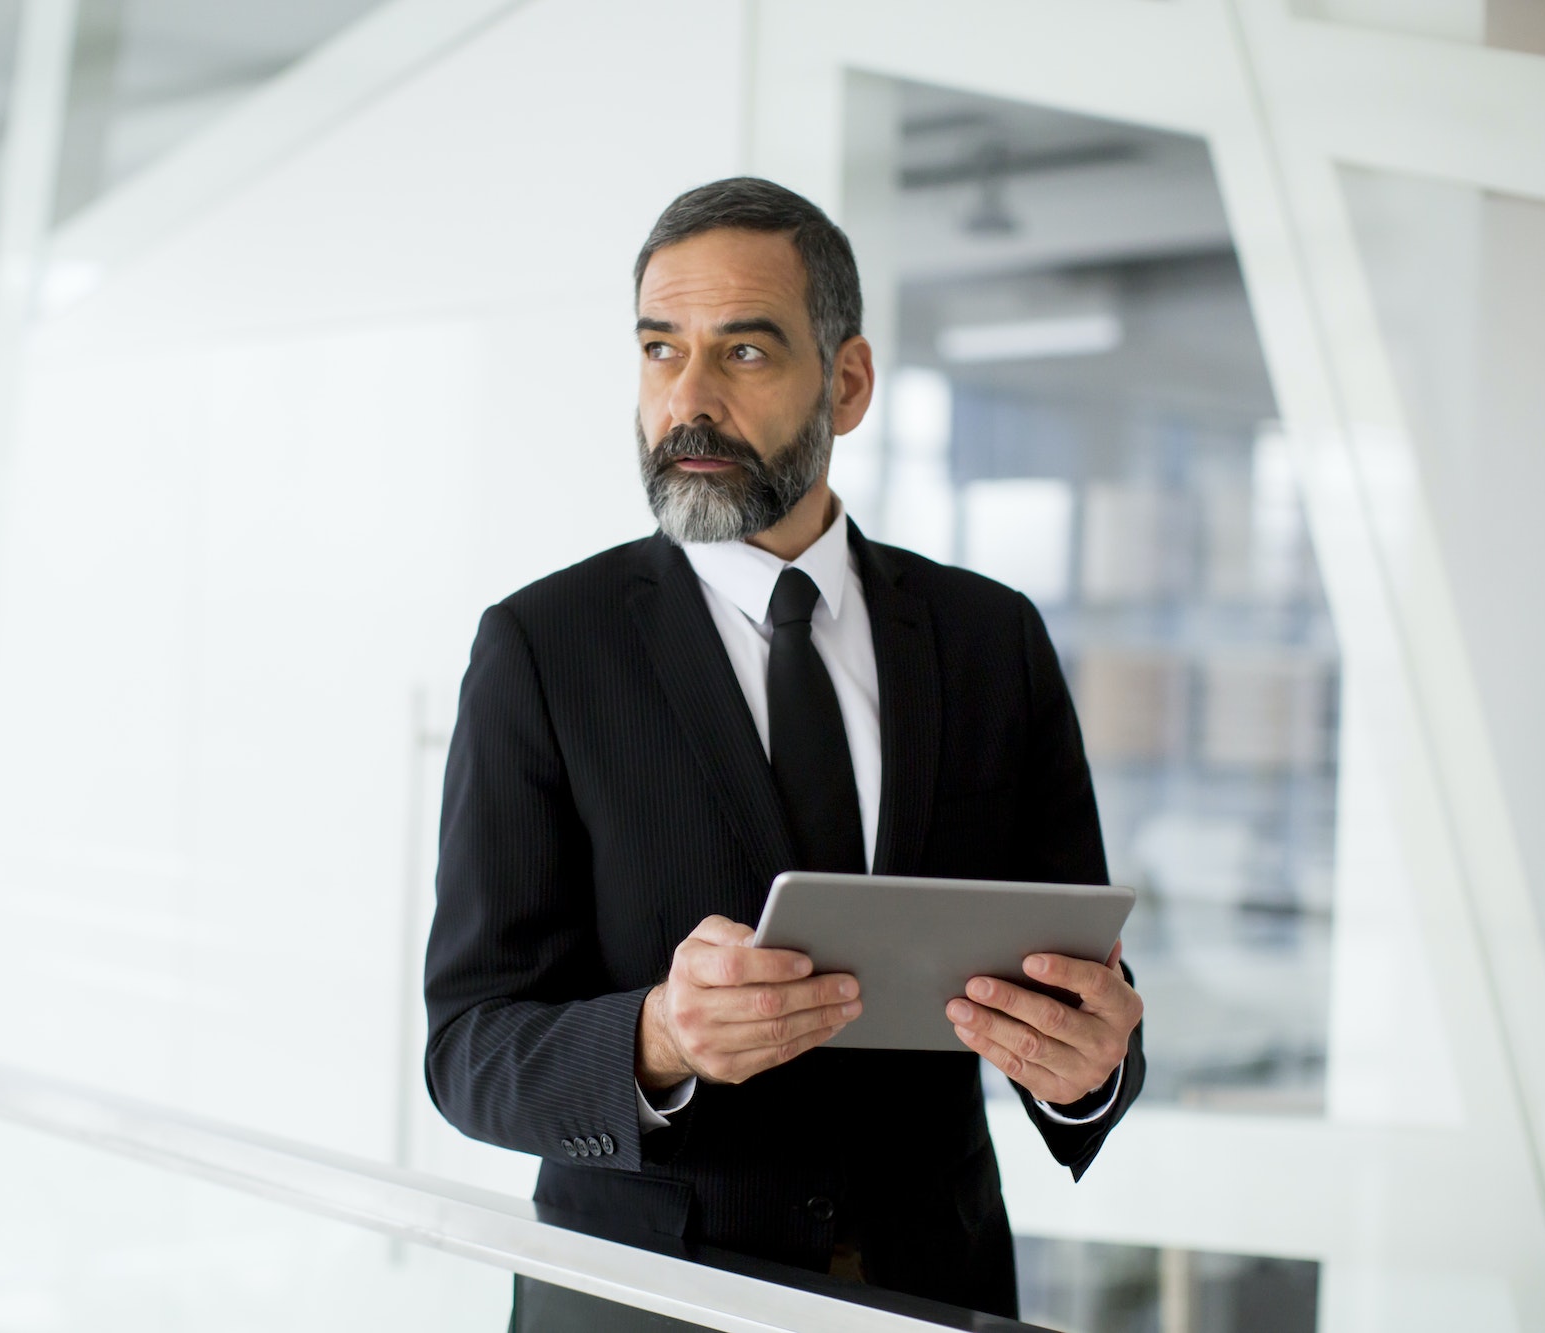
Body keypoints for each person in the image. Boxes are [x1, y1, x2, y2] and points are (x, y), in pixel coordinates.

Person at [424, 177, 1145, 1329]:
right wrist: (659, 1036)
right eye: (660, 350)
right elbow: (468, 1046)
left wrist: (1090, 1067)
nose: (687, 399)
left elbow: (1080, 985)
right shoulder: (542, 648)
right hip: (650, 1304)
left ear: (845, 383)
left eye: (743, 352)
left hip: (931, 1293)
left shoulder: (989, 638)